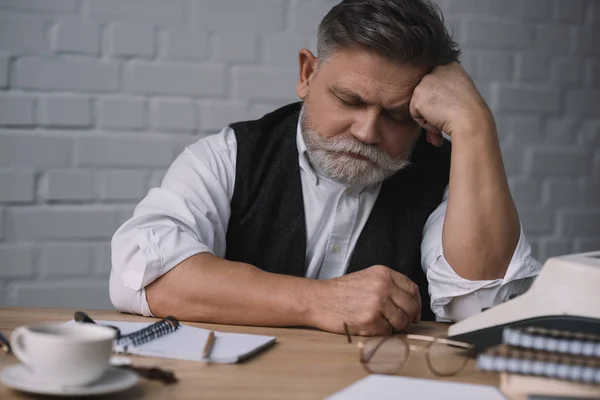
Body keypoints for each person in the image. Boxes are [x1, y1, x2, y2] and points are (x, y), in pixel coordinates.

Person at [110, 0, 541, 336]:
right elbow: (142, 276)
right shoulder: (228, 156)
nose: (367, 131)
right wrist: (320, 301)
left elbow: (482, 306)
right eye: (350, 101)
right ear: (307, 74)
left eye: (396, 115)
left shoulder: (450, 177)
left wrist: (474, 125)